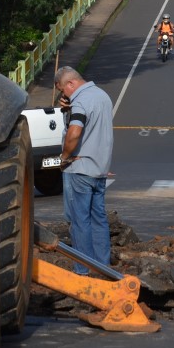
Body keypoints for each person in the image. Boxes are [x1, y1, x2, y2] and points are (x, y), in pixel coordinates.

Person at [55, 66, 115, 275]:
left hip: (79, 168)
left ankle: (83, 270)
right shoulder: (102, 96)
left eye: (63, 90)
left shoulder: (80, 101)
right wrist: (67, 110)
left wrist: (63, 158)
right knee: (98, 218)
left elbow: (74, 133)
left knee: (79, 221)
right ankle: (103, 268)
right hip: (99, 169)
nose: (63, 95)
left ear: (70, 84)